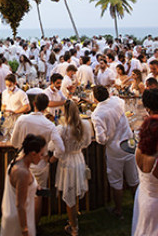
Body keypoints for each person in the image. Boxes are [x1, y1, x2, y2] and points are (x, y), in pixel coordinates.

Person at [11, 94, 65, 226]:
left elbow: (14, 142)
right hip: (40, 163)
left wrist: (21, 147)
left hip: (24, 160)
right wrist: (52, 159)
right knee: (37, 195)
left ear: (34, 104)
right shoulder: (49, 125)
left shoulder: (22, 119)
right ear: (46, 107)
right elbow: (61, 148)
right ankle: (34, 226)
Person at [92, 85, 138, 219]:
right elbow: (121, 103)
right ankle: (138, 207)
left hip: (115, 149)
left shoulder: (97, 113)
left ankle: (119, 211)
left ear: (95, 98)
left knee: (116, 180)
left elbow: (100, 139)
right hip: (129, 142)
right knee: (133, 178)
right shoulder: (117, 101)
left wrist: (107, 137)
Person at [49, 100, 92, 236]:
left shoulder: (62, 129)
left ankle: (74, 227)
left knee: (69, 196)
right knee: (74, 193)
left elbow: (52, 147)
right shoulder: (85, 125)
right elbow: (87, 143)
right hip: (78, 159)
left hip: (67, 163)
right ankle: (74, 219)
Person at [0, 134, 47, 236]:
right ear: (33, 154)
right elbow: (20, 205)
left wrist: (34, 187)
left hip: (14, 215)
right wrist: (24, 229)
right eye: (41, 154)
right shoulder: (22, 173)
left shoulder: (18, 161)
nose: (42, 158)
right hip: (18, 221)